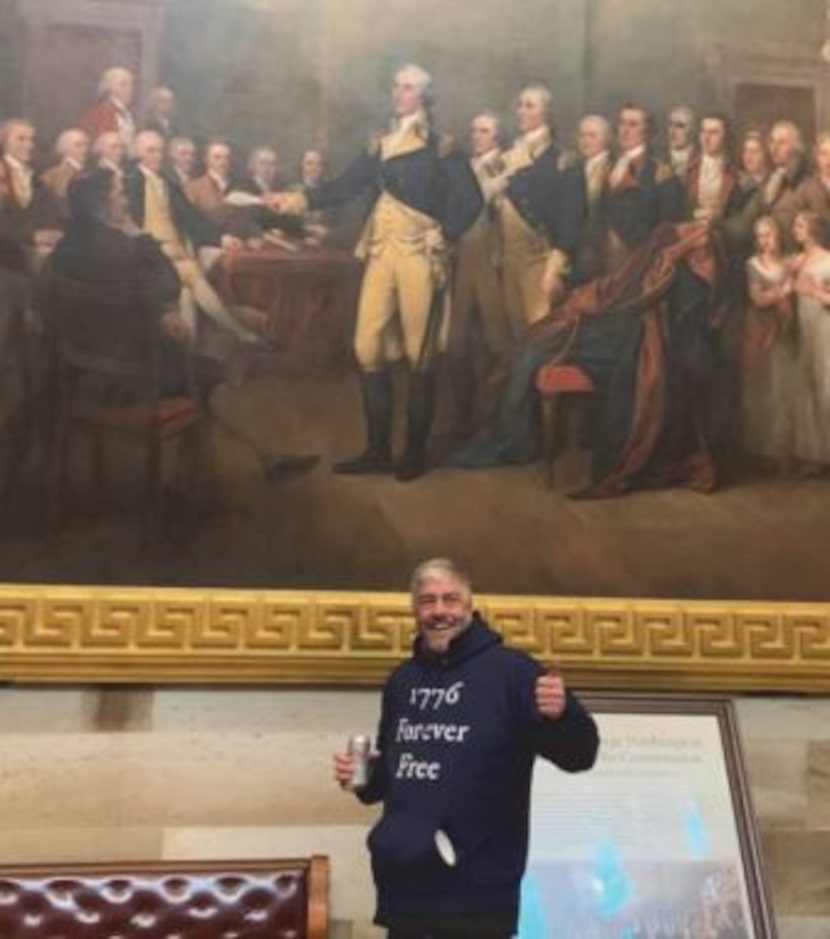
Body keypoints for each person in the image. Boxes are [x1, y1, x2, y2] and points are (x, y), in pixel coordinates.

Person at [332, 558, 598, 939]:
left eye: (450, 599)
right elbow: (389, 778)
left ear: (470, 605)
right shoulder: (401, 681)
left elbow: (580, 756)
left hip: (477, 898)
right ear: (414, 610)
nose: (439, 611)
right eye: (427, 601)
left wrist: (562, 715)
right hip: (403, 889)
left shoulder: (514, 673)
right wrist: (365, 778)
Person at [272, 63, 483, 481]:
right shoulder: (380, 144)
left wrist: (447, 233)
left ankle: (414, 455)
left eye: (407, 88)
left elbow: (471, 199)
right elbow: (344, 186)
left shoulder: (441, 147)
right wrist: (295, 201)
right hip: (381, 251)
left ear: (424, 96)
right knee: (367, 345)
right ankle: (378, 450)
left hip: (420, 255)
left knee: (419, 354)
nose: (399, 94)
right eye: (397, 87)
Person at [48, 168, 319, 483]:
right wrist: (141, 236)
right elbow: (168, 285)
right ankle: (205, 480)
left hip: (83, 370)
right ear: (102, 205)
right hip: (131, 374)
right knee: (213, 375)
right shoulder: (124, 246)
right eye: (119, 193)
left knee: (207, 364)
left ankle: (253, 462)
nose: (125, 198)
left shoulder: (66, 249)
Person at [124, 129, 265, 346]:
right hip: (148, 257)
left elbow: (193, 219)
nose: (157, 156)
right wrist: (159, 247)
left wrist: (221, 238)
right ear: (137, 153)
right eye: (150, 151)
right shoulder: (129, 182)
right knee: (190, 270)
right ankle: (239, 331)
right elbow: (128, 229)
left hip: (176, 254)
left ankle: (187, 357)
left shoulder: (167, 183)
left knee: (187, 296)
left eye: (160, 151)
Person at [486, 83, 585, 335]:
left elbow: (570, 218)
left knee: (541, 337)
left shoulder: (563, 159)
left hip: (540, 261)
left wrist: (555, 267)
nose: (520, 111)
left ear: (546, 113)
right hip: (509, 260)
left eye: (529, 106)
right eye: (520, 105)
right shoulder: (507, 158)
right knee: (516, 337)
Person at [445, 109, 510, 442]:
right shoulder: (464, 168)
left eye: (484, 131)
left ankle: (496, 419)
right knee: (455, 344)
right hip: (462, 264)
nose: (476, 136)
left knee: (498, 343)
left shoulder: (506, 167)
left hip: (491, 263)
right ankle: (465, 417)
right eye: (474, 131)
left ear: (497, 136)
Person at [740, 215, 795, 473]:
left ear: (779, 234)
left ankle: (783, 453)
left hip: (785, 330)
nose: (766, 240)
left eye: (770, 233)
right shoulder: (752, 264)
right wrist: (783, 292)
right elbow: (757, 300)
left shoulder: (790, 262)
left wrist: (777, 294)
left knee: (784, 391)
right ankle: (762, 452)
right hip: (760, 329)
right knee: (762, 391)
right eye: (761, 235)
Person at [604, 104, 683, 274]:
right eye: (622, 123)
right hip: (601, 258)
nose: (624, 130)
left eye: (633, 125)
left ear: (647, 131)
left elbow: (667, 228)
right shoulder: (608, 165)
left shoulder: (661, 174)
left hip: (639, 262)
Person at [790, 209, 830, 473]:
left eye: (800, 225)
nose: (794, 230)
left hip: (824, 327)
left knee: (827, 385)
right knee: (808, 386)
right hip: (803, 327)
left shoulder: (828, 260)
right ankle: (816, 456)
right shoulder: (797, 260)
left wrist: (813, 291)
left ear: (813, 230)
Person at [576, 113, 613, 278]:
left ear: (606, 139)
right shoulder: (575, 168)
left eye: (592, 135)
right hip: (577, 251)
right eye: (582, 135)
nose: (585, 140)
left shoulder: (614, 169)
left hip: (603, 253)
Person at [79, 67, 138, 155]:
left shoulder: (129, 113)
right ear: (109, 88)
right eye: (123, 84)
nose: (130, 89)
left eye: (131, 84)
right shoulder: (99, 113)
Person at [41, 128, 91, 218]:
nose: (85, 149)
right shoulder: (55, 174)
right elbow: (62, 204)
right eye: (78, 145)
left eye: (86, 145)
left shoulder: (89, 171)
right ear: (64, 148)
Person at [666, 105, 697, 181]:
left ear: (693, 130)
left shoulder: (700, 159)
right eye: (670, 124)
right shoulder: (658, 159)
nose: (672, 131)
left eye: (680, 126)